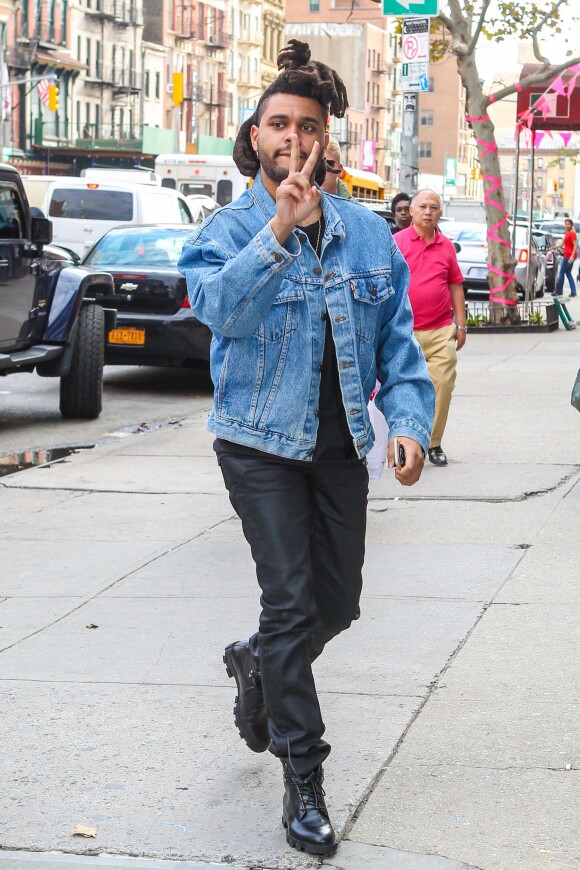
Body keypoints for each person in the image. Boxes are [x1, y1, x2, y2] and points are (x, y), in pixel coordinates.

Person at [178, 40, 434, 857]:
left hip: (336, 448)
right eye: (277, 123)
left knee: (338, 604)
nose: (292, 136)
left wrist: (408, 426)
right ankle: (305, 774)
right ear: (255, 136)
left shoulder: (368, 237)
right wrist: (279, 232)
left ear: (330, 140)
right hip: (256, 443)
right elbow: (221, 311)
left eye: (308, 125)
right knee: (291, 602)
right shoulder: (228, 229)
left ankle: (260, 663)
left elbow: (398, 348)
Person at [394, 189, 465, 467]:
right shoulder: (397, 242)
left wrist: (461, 324)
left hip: (440, 329)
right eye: (422, 206)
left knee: (443, 384)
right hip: (404, 330)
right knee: (404, 388)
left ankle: (432, 442)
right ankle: (404, 440)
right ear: (411, 211)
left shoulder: (446, 246)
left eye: (433, 207)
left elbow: (455, 285)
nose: (428, 211)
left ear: (440, 213)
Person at [549, 218, 577, 298]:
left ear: (571, 225)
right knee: (568, 273)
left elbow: (575, 245)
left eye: (568, 224)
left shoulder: (572, 233)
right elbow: (561, 245)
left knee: (561, 272)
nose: (567, 225)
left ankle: (559, 291)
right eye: (566, 224)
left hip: (569, 256)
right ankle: (573, 291)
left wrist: (572, 256)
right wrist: (552, 247)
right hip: (567, 254)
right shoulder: (567, 233)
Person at [320, 135, 352, 199]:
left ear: (340, 170)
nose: (322, 169)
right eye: (317, 164)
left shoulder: (354, 208)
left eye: (329, 163)